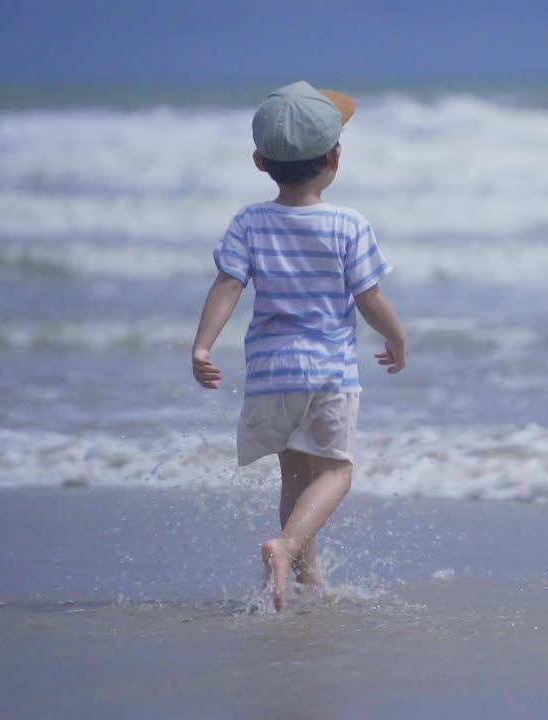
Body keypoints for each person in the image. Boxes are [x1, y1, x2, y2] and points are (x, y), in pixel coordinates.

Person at [190, 81, 408, 611]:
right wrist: (397, 338)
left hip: (271, 375)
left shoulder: (250, 221)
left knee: (295, 472)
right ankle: (286, 547)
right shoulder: (348, 224)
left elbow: (227, 285)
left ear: (260, 162)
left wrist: (202, 347)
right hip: (328, 373)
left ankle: (308, 579)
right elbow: (369, 297)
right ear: (335, 159)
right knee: (336, 471)